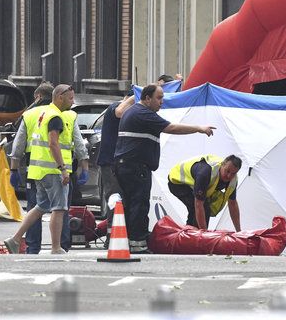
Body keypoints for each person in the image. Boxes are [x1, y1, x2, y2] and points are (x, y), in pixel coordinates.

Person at [114, 84, 215, 253]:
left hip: (128, 165)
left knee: (132, 204)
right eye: (159, 98)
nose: (162, 102)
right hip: (135, 167)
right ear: (147, 99)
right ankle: (138, 243)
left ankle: (131, 240)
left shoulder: (134, 112)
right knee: (139, 204)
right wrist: (199, 128)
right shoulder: (143, 113)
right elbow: (171, 128)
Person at [5, 84, 89, 254]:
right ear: (60, 97)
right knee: (59, 208)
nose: (73, 102)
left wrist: (14, 169)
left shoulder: (36, 115)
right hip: (54, 171)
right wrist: (64, 169)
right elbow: (53, 143)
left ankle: (15, 239)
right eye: (71, 98)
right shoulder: (57, 117)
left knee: (40, 206)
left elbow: (18, 144)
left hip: (37, 170)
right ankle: (56, 247)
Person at [96, 94, 136, 246]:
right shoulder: (116, 106)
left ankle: (118, 235)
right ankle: (111, 238)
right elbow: (119, 111)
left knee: (122, 201)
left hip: (120, 163)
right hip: (110, 163)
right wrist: (134, 97)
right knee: (115, 200)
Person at [168, 155, 242, 231]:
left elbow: (232, 203)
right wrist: (204, 233)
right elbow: (198, 204)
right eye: (227, 171)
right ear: (222, 165)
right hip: (177, 182)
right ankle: (193, 236)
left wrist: (238, 231)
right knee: (203, 208)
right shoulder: (206, 173)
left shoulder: (233, 181)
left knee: (200, 211)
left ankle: (189, 235)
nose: (229, 176)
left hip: (194, 184)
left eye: (233, 173)